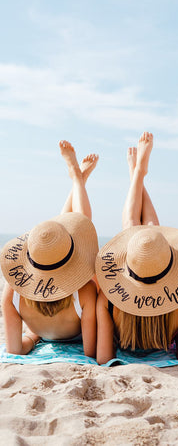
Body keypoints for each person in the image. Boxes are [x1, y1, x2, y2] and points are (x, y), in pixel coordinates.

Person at [95, 132, 178, 364]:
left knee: (137, 232)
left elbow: (103, 359)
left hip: (121, 312)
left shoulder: (108, 299)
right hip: (171, 313)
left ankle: (137, 175)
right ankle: (138, 175)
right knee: (152, 234)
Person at [1, 141, 99, 357]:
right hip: (73, 325)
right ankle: (77, 179)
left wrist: (33, 337)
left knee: (53, 238)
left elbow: (14, 350)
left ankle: (77, 179)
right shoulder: (85, 291)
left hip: (40, 331)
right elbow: (91, 352)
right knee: (78, 227)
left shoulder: (14, 290)